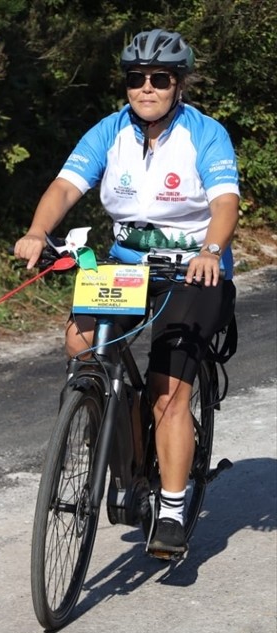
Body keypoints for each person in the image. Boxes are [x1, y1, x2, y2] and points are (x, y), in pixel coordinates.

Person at [13, 28, 239, 558]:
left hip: (193, 272)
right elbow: (65, 187)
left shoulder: (205, 134)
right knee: (80, 343)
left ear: (178, 84)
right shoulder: (109, 131)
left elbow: (225, 204)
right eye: (137, 78)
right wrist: (37, 232)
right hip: (128, 268)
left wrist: (211, 250)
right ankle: (115, 433)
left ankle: (173, 507)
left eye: (160, 78)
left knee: (168, 389)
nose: (146, 88)